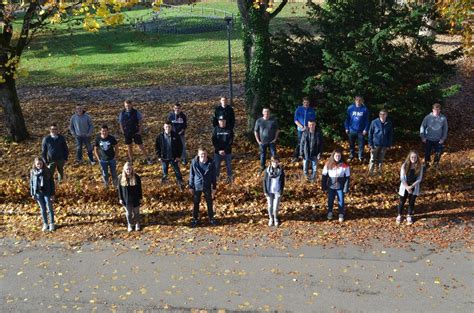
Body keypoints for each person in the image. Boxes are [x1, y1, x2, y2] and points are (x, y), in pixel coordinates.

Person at [188, 148, 217, 227]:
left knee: (209, 202)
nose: (203, 155)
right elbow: (191, 175)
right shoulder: (194, 162)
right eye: (201, 154)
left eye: (204, 154)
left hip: (207, 185)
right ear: (198, 154)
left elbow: (214, 176)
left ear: (206, 154)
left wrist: (214, 188)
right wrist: (190, 186)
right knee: (196, 202)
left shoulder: (211, 163)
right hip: (197, 185)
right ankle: (195, 219)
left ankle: (211, 218)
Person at [118, 99, 152, 164]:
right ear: (124, 105)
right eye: (126, 105)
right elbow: (120, 123)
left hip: (135, 131)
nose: (127, 107)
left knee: (141, 146)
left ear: (131, 105)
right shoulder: (122, 113)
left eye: (128, 105)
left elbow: (140, 122)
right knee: (129, 147)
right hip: (127, 132)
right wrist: (123, 131)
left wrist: (140, 131)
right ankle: (131, 160)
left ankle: (148, 158)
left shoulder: (136, 112)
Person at [321, 149, 350, 222]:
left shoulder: (345, 165)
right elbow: (324, 176)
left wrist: (346, 188)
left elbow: (347, 177)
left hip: (340, 187)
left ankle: (341, 214)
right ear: (333, 156)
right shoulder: (328, 164)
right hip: (331, 186)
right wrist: (323, 186)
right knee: (330, 200)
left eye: (339, 155)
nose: (337, 157)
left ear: (341, 156)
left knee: (341, 201)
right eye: (336, 155)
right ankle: (330, 212)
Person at [155, 121, 184, 190]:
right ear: (164, 127)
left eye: (169, 127)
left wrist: (178, 156)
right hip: (164, 158)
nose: (167, 128)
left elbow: (180, 146)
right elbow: (157, 147)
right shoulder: (160, 136)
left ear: (171, 127)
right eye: (166, 127)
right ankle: (163, 187)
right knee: (165, 172)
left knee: (177, 172)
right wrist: (159, 156)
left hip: (173, 157)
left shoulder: (175, 135)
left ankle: (181, 184)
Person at [396, 151, 424, 225]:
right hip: (405, 186)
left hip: (414, 186)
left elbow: (419, 179)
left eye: (415, 157)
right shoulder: (404, 165)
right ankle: (399, 215)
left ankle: (409, 215)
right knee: (402, 201)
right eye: (412, 157)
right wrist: (407, 187)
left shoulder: (420, 167)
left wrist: (411, 187)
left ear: (417, 158)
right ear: (409, 157)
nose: (413, 158)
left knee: (411, 202)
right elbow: (402, 178)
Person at [30, 157, 56, 232]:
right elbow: (31, 183)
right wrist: (32, 193)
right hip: (38, 193)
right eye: (37, 164)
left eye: (40, 163)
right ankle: (45, 223)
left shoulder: (47, 171)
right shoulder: (32, 172)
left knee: (49, 208)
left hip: (47, 192)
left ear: (43, 163)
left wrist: (52, 194)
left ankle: (52, 223)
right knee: (42, 208)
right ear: (35, 164)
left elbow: (52, 183)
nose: (39, 165)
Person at [420, 103, 448, 168]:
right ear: (433, 110)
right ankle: (427, 164)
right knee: (427, 153)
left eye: (438, 110)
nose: (437, 111)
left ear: (440, 110)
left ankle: (436, 164)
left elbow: (445, 129)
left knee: (438, 153)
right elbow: (422, 127)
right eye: (435, 110)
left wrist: (443, 138)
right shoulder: (427, 117)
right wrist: (422, 137)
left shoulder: (443, 118)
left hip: (438, 140)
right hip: (428, 139)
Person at [117, 162, 143, 232]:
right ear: (124, 170)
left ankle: (137, 223)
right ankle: (130, 224)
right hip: (126, 198)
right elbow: (119, 189)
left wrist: (140, 197)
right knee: (128, 213)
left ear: (132, 169)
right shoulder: (120, 177)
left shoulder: (136, 177)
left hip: (135, 197)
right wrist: (120, 198)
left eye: (129, 169)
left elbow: (140, 188)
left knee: (136, 212)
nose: (128, 171)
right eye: (127, 169)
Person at [368, 109, 393, 175]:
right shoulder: (374, 122)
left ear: (386, 115)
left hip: (384, 144)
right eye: (381, 114)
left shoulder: (389, 123)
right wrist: (370, 144)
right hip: (375, 144)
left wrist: (389, 144)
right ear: (379, 115)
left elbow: (390, 135)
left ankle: (379, 172)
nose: (382, 115)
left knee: (381, 159)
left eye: (384, 114)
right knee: (373, 159)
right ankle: (371, 172)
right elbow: (370, 133)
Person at [344, 96, 370, 161]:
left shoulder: (364, 109)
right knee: (351, 144)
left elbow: (367, 120)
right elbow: (347, 119)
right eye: (357, 100)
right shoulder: (350, 108)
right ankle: (351, 155)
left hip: (361, 131)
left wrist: (366, 129)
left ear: (361, 101)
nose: (358, 101)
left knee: (361, 145)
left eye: (360, 100)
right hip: (351, 130)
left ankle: (360, 156)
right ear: (355, 101)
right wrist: (346, 128)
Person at [254, 108, 279, 172]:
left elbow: (277, 130)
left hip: (272, 142)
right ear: (263, 112)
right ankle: (262, 167)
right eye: (265, 111)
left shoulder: (273, 121)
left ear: (269, 113)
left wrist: (275, 139)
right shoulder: (259, 121)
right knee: (263, 155)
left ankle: (274, 167)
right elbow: (256, 131)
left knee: (273, 155)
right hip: (262, 142)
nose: (266, 113)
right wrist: (258, 141)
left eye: (268, 112)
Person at [263, 156, 285, 227]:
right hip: (269, 191)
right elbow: (264, 181)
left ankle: (276, 219)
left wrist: (281, 191)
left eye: (276, 162)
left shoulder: (281, 170)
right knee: (270, 206)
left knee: (275, 208)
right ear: (271, 162)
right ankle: (271, 219)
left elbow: (282, 182)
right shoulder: (267, 170)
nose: (275, 163)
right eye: (273, 162)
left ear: (278, 162)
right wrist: (265, 191)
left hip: (277, 191)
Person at [292, 97, 316, 162]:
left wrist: (308, 127)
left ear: (309, 103)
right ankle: (296, 156)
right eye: (305, 102)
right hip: (300, 129)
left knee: (308, 142)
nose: (306, 104)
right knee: (300, 142)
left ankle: (307, 156)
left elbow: (313, 120)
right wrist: (302, 127)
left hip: (309, 129)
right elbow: (295, 120)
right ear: (302, 102)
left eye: (307, 103)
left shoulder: (311, 110)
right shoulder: (298, 109)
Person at [212, 117, 234, 183]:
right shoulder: (216, 129)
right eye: (221, 121)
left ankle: (230, 179)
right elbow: (214, 140)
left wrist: (225, 150)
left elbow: (230, 141)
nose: (222, 122)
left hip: (227, 152)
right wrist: (219, 150)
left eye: (223, 121)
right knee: (216, 166)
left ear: (225, 121)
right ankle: (215, 179)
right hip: (217, 152)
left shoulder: (229, 129)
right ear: (218, 121)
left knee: (229, 166)